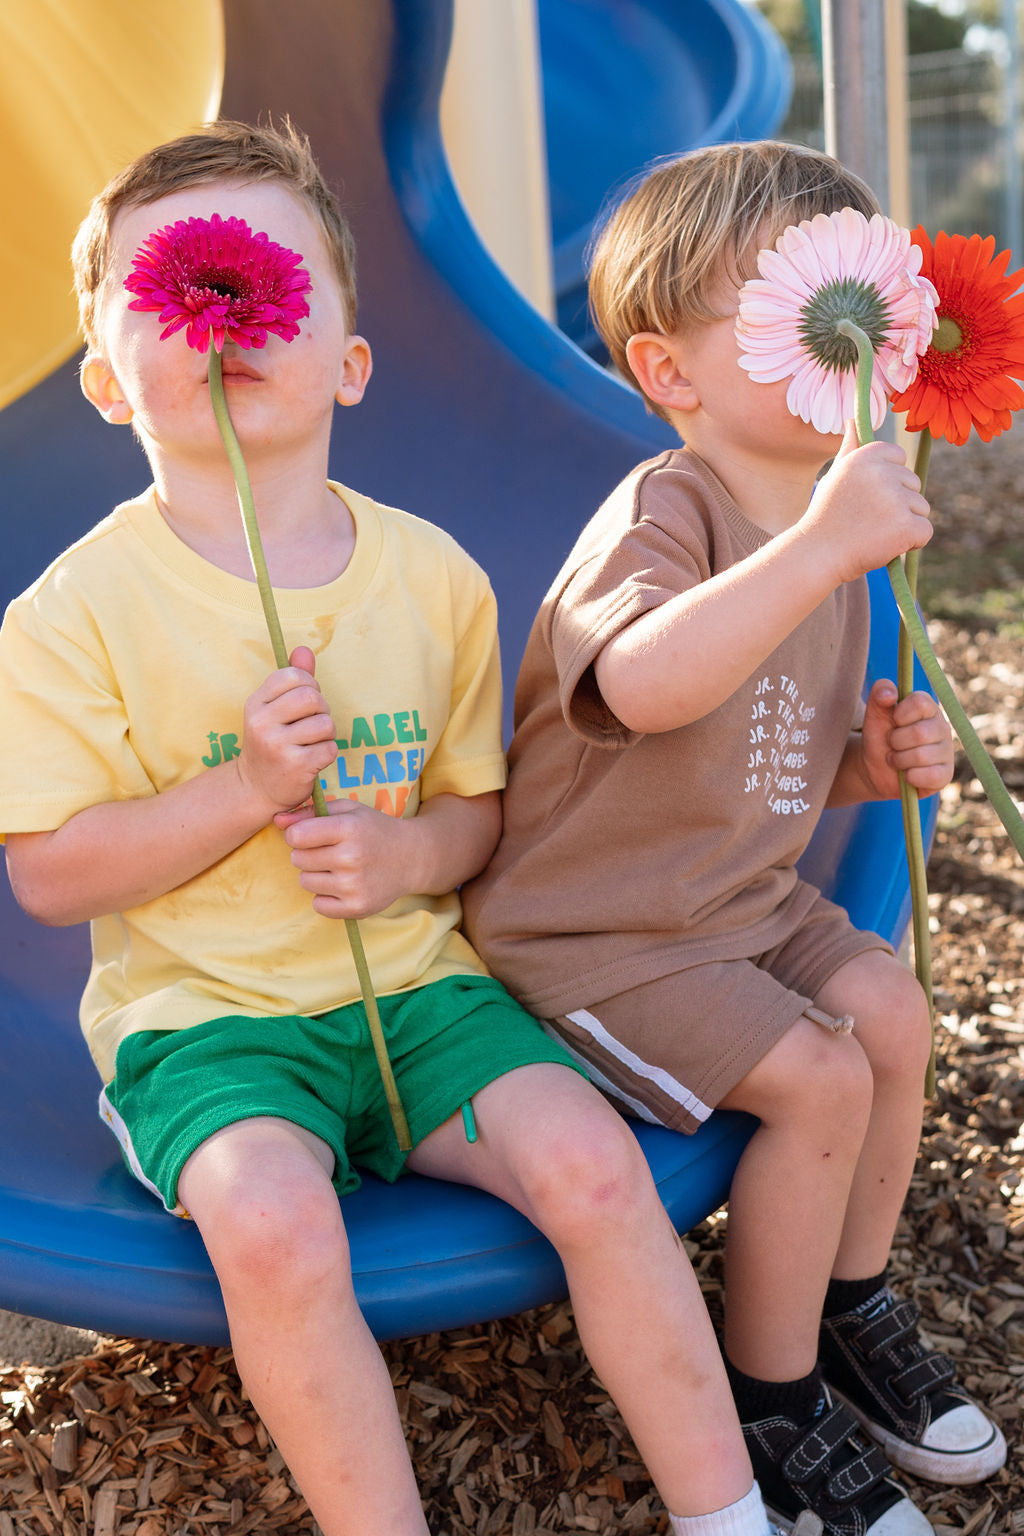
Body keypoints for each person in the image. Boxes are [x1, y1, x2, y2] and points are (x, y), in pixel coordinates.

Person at [0, 120, 813, 1536]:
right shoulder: (69, 618)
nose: (225, 312)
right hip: (209, 1024)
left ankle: (726, 1509)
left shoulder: (430, 582)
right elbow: (55, 878)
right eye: (174, 286)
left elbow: (476, 818)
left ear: (351, 365)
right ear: (106, 384)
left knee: (591, 1165)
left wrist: (404, 857)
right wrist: (241, 793)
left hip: (428, 1001)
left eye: (272, 281)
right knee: (269, 1221)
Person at [462, 141, 1007, 1536]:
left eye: (852, 292)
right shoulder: (671, 513)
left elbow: (755, 755)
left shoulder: (823, 526)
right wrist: (821, 552)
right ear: (670, 375)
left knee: (893, 1006)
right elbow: (645, 687)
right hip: (601, 938)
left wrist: (866, 766)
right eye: (787, 303)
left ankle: (846, 1299)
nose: (846, 330)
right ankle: (772, 1404)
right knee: (822, 1081)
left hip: (736, 905)